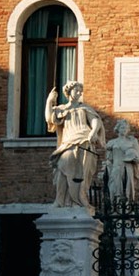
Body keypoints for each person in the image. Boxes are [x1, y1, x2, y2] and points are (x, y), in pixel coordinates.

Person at [44, 80, 106, 211]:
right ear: (69, 92)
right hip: (68, 142)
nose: (79, 93)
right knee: (62, 168)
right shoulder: (61, 109)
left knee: (81, 172)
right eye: (76, 90)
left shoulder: (85, 108)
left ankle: (79, 200)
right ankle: (60, 200)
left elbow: (95, 120)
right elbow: (50, 119)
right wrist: (49, 101)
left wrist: (93, 132)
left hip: (84, 140)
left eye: (80, 91)